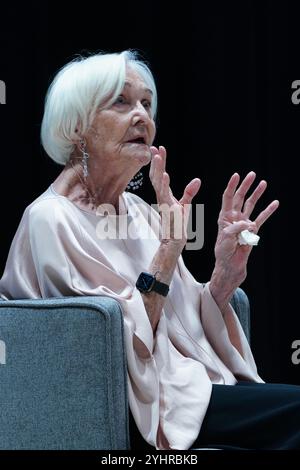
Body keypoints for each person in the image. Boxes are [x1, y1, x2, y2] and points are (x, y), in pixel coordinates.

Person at [0, 50, 299, 451]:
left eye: (146, 103)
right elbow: (120, 343)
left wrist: (225, 275)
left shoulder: (140, 211)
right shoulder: (50, 219)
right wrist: (169, 249)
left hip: (187, 386)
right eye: (121, 102)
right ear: (76, 127)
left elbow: (184, 323)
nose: (142, 116)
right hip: (138, 405)